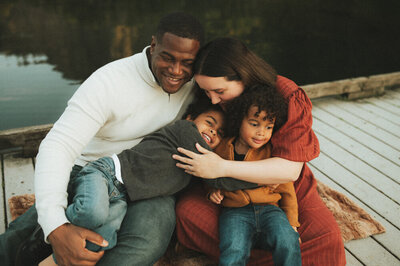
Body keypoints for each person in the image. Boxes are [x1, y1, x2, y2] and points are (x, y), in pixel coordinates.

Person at [0, 12, 204, 266]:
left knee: (148, 241)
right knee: (19, 241)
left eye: (187, 62)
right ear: (153, 46)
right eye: (167, 57)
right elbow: (57, 146)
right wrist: (56, 228)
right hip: (91, 170)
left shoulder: (196, 81)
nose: (176, 71)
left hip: (149, 177)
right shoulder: (109, 82)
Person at [173, 37, 346, 265]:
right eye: (206, 92)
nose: (213, 99)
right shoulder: (212, 96)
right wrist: (212, 183)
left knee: (325, 236)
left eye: (219, 91)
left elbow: (289, 172)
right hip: (226, 192)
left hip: (277, 184)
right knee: (189, 214)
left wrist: (220, 166)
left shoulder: (287, 95)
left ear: (243, 76)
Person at [57, 98, 224, 258]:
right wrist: (236, 172)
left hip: (121, 197)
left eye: (220, 133)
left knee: (100, 242)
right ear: (190, 118)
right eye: (209, 123)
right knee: (92, 213)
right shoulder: (185, 130)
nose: (213, 131)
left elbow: (205, 177)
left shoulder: (198, 165)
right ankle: (63, 219)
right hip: (107, 173)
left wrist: (211, 189)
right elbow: (215, 172)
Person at [205, 85, 301, 265]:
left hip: (270, 209)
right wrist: (212, 190)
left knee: (288, 241)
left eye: (268, 126)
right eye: (254, 124)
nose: (261, 132)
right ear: (239, 120)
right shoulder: (223, 147)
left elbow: (287, 189)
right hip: (235, 211)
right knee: (234, 249)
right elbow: (210, 175)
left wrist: (292, 224)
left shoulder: (272, 153)